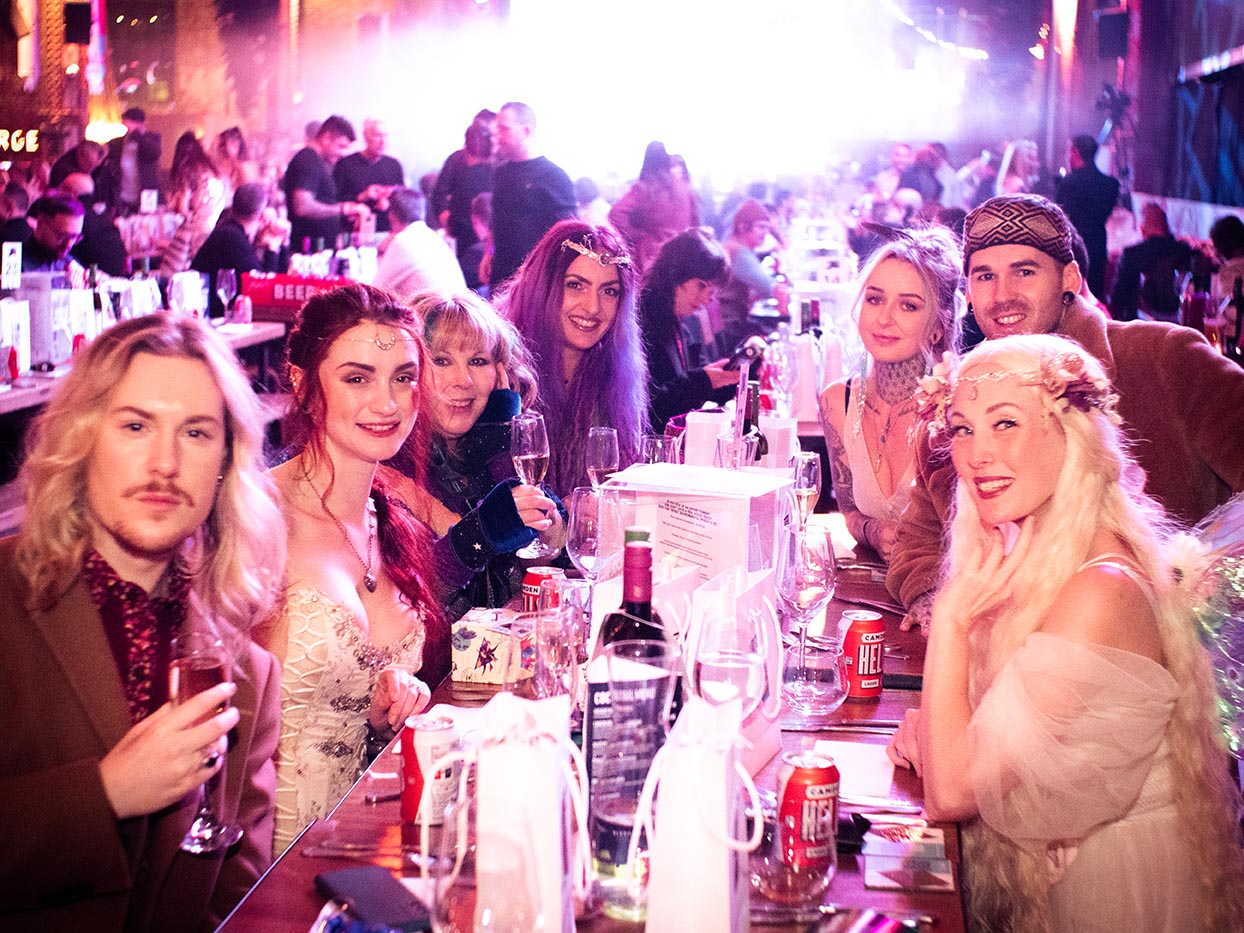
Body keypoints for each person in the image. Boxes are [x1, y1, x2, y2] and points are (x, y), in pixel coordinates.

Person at [886, 334, 1244, 932]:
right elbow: (986, 746)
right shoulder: (1038, 552)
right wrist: (947, 732)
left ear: (1071, 435)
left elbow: (950, 792)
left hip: (1110, 892)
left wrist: (950, 618)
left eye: (1005, 423)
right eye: (963, 429)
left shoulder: (1102, 587)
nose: (976, 454)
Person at [0, 314, 285, 929]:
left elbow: (238, 901)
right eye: (135, 426)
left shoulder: (246, 672)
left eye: (196, 432)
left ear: (225, 461)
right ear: (83, 440)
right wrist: (105, 795)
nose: (165, 463)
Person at [886, 194, 1244, 634]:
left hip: (1159, 659)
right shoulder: (961, 402)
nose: (1002, 296)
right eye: (985, 276)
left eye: (1025, 271)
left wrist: (1203, 598)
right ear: (969, 292)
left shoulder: (1164, 357)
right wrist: (931, 598)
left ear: (1069, 278)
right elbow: (917, 540)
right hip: (1009, 663)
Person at [263, 284, 450, 855]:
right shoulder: (256, 519)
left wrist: (387, 712)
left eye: (403, 377)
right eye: (357, 378)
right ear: (303, 384)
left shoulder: (393, 524)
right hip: (263, 867)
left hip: (362, 849)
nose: (388, 403)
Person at [389, 290, 563, 621]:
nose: (463, 380)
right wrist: (480, 533)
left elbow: (557, 542)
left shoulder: (482, 450)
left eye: (478, 361)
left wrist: (501, 434)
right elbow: (408, 602)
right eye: (441, 360)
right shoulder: (388, 466)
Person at [819, 227, 961, 561]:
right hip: (873, 586)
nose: (884, 318)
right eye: (875, 299)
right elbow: (850, 513)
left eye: (908, 306)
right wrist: (874, 531)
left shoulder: (957, 408)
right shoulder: (837, 402)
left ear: (938, 326)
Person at [495, 220, 648, 495]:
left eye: (609, 291)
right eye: (576, 285)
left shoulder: (613, 374)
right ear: (543, 287)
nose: (592, 308)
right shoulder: (501, 370)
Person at [639, 228, 736, 433]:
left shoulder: (677, 324)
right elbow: (650, 408)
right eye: (701, 286)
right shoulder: (641, 321)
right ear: (676, 274)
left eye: (711, 291)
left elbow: (702, 386)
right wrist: (704, 380)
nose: (707, 299)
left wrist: (740, 371)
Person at [486, 102, 576, 288]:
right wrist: (488, 253)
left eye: (504, 129)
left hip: (535, 281)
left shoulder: (554, 177)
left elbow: (568, 234)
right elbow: (497, 219)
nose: (497, 136)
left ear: (526, 130)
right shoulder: (501, 173)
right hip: (500, 275)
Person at [191, 183, 287, 317]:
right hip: (210, 318)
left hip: (214, 315)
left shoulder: (231, 231)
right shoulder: (231, 236)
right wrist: (273, 249)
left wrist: (283, 242)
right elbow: (263, 289)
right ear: (261, 215)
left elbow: (279, 280)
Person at [608, 140, 699, 273]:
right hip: (684, 255)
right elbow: (694, 222)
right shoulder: (684, 187)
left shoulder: (645, 187)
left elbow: (615, 213)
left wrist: (638, 236)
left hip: (653, 257)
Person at [283, 115, 369, 252]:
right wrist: (342, 209)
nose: (342, 153)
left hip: (319, 249)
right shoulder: (308, 160)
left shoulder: (315, 161)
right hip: (309, 252)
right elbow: (302, 206)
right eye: (341, 146)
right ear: (326, 138)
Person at [429, 109, 495, 276]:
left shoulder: (499, 164)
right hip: (459, 227)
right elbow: (439, 193)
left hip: (488, 229)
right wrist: (444, 216)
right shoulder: (456, 159)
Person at [717, 198, 788, 356]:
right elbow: (768, 288)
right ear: (742, 227)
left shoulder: (736, 246)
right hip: (730, 328)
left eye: (767, 228)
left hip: (731, 324)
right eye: (761, 227)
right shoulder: (738, 252)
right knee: (774, 345)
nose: (765, 233)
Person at [1055, 134, 1120, 299]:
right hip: (1098, 245)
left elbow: (1062, 218)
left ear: (1075, 152)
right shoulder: (1111, 185)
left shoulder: (1069, 183)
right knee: (1094, 297)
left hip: (1073, 248)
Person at [372, 188, 466, 300]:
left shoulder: (403, 240)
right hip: (454, 308)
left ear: (391, 216)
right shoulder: (433, 237)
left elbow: (375, 292)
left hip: (436, 310)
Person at [159, 132, 229, 277]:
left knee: (183, 274)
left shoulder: (187, 169)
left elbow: (182, 209)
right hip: (217, 227)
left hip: (197, 230)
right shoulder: (213, 170)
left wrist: (174, 204)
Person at [1109, 203, 1193, 322]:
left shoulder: (1133, 254)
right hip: (1181, 323)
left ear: (1144, 227)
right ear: (1165, 225)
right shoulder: (1185, 250)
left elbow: (1119, 299)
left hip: (1140, 326)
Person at [333, 118, 405, 234]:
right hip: (353, 233)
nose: (383, 141)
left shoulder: (394, 165)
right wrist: (362, 197)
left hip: (387, 232)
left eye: (385, 135)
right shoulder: (345, 164)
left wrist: (389, 201)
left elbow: (404, 201)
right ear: (366, 137)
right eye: (378, 135)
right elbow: (333, 202)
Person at [61, 172, 129, 278]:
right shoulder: (104, 215)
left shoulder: (73, 217)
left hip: (91, 279)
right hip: (117, 278)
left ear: (70, 193)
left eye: (61, 191)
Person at [104, 107, 162, 216]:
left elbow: (154, 153)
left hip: (146, 195)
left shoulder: (153, 138)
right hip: (123, 197)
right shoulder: (116, 143)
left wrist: (137, 134)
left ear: (142, 123)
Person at [21, 189, 84, 272]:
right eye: (63, 236)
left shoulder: (71, 263)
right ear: (41, 222)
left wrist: (93, 277)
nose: (69, 244)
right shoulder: (15, 263)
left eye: (75, 237)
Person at [212, 126, 260, 197]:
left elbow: (249, 197)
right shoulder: (228, 167)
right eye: (221, 146)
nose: (221, 149)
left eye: (223, 145)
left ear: (235, 144)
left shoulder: (244, 168)